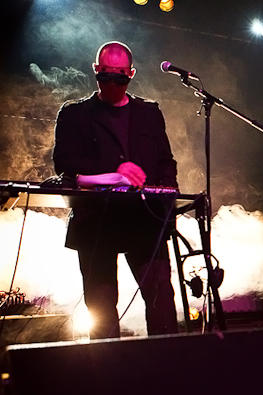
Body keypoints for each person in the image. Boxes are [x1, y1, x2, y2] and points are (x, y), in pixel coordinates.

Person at [53, 41, 179, 339]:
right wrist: (114, 176)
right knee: (101, 309)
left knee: (162, 301)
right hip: (95, 223)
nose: (112, 85)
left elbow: (166, 162)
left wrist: (166, 199)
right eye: (106, 77)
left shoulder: (149, 113)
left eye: (120, 78)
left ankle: (167, 371)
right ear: (96, 71)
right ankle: (108, 378)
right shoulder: (75, 115)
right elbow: (65, 167)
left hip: (144, 221)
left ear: (131, 74)